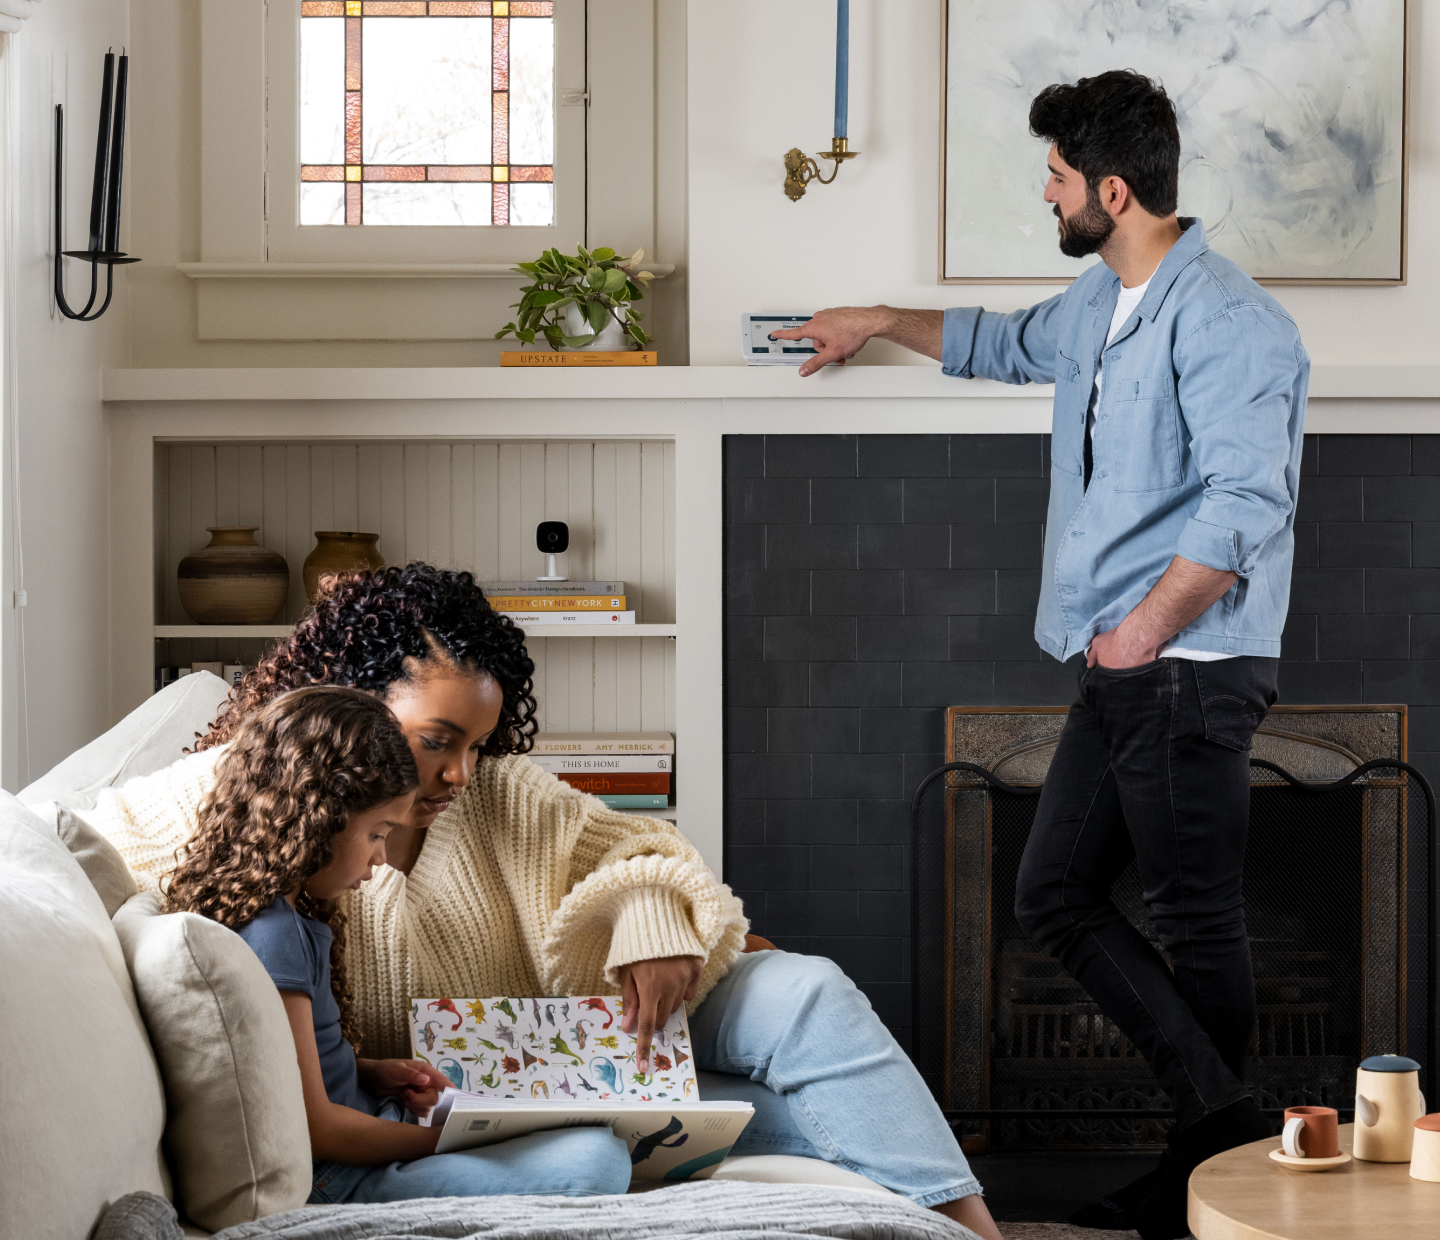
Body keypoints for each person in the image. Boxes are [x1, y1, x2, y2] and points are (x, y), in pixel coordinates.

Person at [775, 70, 1306, 1240]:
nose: (1048, 196)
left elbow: (1244, 501)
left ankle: (1215, 1166)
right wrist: (874, 318)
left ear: (1112, 190)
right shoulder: (1099, 301)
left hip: (1187, 663)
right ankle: (1221, 1134)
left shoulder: (1229, 320)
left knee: (1194, 913)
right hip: (1121, 665)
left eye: (1058, 179)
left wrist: (1142, 632)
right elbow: (998, 342)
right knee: (1053, 892)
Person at [95, 564, 1002, 1238]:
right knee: (791, 1126)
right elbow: (106, 847)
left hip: (557, 1052)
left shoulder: (496, 790)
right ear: (348, 703)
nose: (457, 773)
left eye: (477, 745)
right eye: (436, 740)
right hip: (439, 1107)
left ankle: (970, 1230)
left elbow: (648, 847)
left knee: (805, 991)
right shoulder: (239, 793)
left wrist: (647, 918)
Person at [165, 685, 634, 1202]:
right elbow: (320, 1128)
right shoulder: (272, 933)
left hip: (364, 1126)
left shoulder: (287, 913)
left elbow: (286, 1068)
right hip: (338, 1174)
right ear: (319, 819)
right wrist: (445, 1142)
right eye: (377, 833)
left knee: (586, 1133)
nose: (382, 857)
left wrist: (367, 1073)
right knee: (598, 1160)